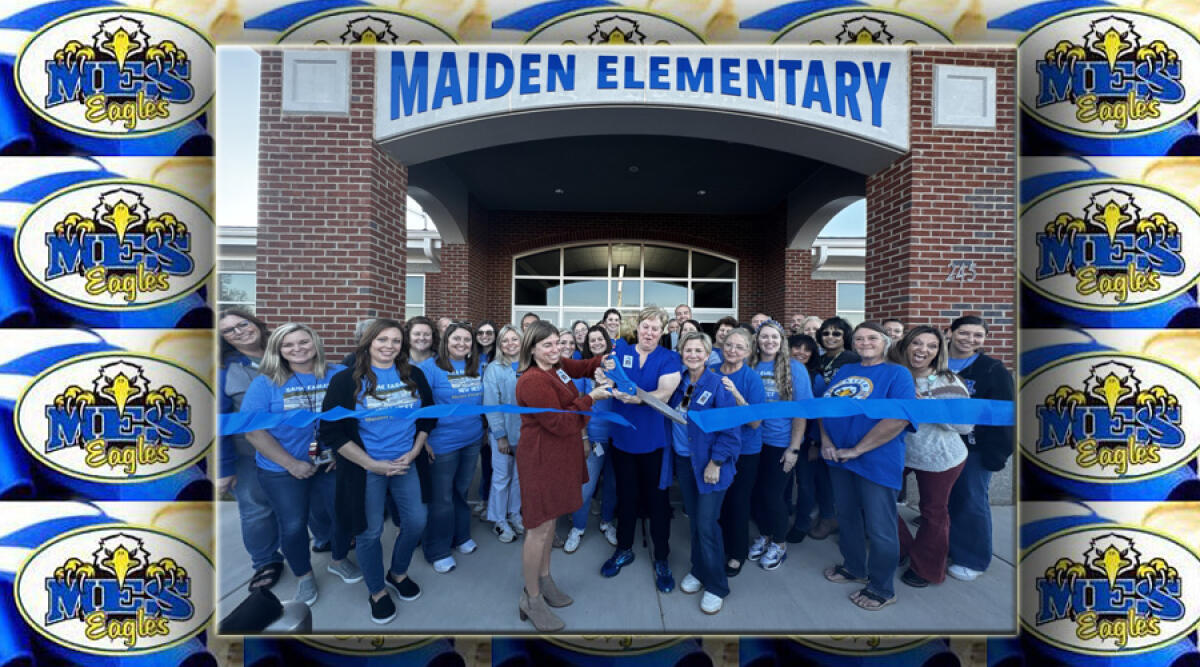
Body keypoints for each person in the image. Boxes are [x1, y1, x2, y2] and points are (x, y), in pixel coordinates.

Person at [321, 319, 434, 624]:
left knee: (416, 521)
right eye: (382, 340)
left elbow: (427, 418)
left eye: (396, 341)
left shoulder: (414, 375)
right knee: (369, 532)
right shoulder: (345, 381)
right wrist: (371, 464)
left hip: (404, 463)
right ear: (368, 342)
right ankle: (376, 592)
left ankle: (397, 573)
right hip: (364, 468)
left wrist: (413, 452)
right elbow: (331, 433)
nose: (389, 346)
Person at [241, 323, 360, 606]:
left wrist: (340, 453)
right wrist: (291, 464)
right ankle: (304, 576)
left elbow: (353, 417)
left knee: (342, 515)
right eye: (288, 345)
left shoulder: (339, 374)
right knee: (293, 525)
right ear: (278, 350)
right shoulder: (266, 383)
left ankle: (339, 559)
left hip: (330, 462)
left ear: (315, 343)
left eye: (303, 342)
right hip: (282, 468)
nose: (297, 349)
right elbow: (253, 431)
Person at [513, 320, 611, 631]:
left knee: (551, 519)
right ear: (532, 348)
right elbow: (563, 423)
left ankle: (545, 581)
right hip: (541, 459)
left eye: (558, 343)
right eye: (548, 345)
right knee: (538, 529)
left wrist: (600, 361)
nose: (556, 350)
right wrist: (592, 397)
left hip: (559, 457)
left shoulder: (557, 367)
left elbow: (580, 366)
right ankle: (531, 599)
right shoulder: (532, 381)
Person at [820, 322, 915, 611]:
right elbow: (825, 408)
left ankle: (882, 587)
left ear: (886, 342)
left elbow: (898, 419)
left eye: (872, 338)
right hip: (838, 456)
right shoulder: (846, 371)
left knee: (880, 526)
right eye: (859, 338)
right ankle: (854, 567)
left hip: (876, 459)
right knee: (847, 516)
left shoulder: (897, 374)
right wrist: (825, 441)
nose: (865, 343)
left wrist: (858, 449)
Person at [603, 306, 682, 592]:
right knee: (626, 499)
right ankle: (624, 549)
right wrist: (608, 386)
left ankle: (662, 558)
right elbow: (608, 381)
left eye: (655, 328)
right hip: (623, 440)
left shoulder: (669, 358)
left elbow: (665, 393)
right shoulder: (619, 354)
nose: (650, 332)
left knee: (657, 503)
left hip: (654, 443)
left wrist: (636, 398)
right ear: (638, 327)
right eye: (646, 326)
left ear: (662, 332)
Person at [890, 326, 971, 588]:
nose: (923, 350)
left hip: (940, 456)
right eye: (917, 343)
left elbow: (965, 426)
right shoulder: (895, 374)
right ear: (906, 345)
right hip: (901, 452)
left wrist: (926, 405)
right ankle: (901, 548)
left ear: (939, 352)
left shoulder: (948, 380)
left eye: (931, 346)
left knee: (933, 513)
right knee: (879, 500)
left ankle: (927, 569)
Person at [668, 331, 740, 614]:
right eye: (688, 350)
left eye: (699, 350)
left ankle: (716, 585)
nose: (693, 355)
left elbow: (731, 430)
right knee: (697, 521)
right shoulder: (680, 381)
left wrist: (717, 462)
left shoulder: (719, 384)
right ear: (681, 353)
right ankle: (698, 570)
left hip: (711, 465)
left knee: (708, 525)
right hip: (685, 462)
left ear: (709, 354)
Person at [218, 308, 285, 593]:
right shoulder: (223, 369)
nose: (239, 331)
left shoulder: (286, 351)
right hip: (250, 455)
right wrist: (224, 468)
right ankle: (266, 562)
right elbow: (217, 420)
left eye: (242, 323)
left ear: (255, 322)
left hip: (298, 448)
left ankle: (318, 542)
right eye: (229, 330)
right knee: (257, 510)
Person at [945, 315, 1014, 582]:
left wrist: (997, 453)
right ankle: (947, 547)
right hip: (939, 444)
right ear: (949, 332)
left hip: (974, 449)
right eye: (964, 333)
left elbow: (1004, 414)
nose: (970, 340)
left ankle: (972, 558)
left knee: (971, 500)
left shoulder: (991, 369)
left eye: (977, 336)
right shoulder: (934, 362)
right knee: (944, 502)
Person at [420, 322, 486, 573]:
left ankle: (461, 536)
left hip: (471, 438)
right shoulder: (429, 368)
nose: (462, 344)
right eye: (456, 339)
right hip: (441, 442)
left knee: (460, 491)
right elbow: (420, 406)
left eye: (467, 340)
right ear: (445, 342)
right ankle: (437, 549)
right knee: (442, 498)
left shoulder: (477, 366)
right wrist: (422, 439)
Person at [748, 321, 811, 571]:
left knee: (773, 495)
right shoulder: (749, 365)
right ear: (757, 340)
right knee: (757, 493)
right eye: (764, 337)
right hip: (752, 442)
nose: (769, 341)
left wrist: (794, 448)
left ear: (782, 340)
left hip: (780, 442)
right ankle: (764, 535)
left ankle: (779, 543)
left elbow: (801, 411)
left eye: (774, 337)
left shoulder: (794, 368)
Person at [712, 327, 766, 577]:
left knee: (738, 502)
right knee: (719, 501)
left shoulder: (751, 378)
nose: (732, 350)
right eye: (728, 345)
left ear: (748, 352)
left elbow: (755, 422)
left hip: (745, 451)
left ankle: (736, 554)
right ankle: (721, 545)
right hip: (716, 448)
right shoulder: (711, 372)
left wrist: (734, 393)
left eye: (739, 347)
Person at [565, 325, 619, 553]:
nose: (597, 343)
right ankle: (577, 528)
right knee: (585, 487)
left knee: (613, 486)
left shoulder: (618, 366)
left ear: (607, 341)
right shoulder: (583, 368)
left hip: (617, 437)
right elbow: (576, 405)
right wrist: (584, 437)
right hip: (593, 436)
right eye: (592, 340)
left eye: (600, 339)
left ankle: (607, 522)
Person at [784, 334, 836, 542]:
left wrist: (815, 442)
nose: (801, 353)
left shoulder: (816, 377)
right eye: (796, 347)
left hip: (807, 441)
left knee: (806, 485)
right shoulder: (778, 372)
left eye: (807, 349)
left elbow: (820, 413)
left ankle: (802, 524)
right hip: (780, 437)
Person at [483, 325, 525, 543]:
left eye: (514, 339)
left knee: (519, 478)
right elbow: (491, 404)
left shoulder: (531, 365)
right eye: (505, 340)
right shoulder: (494, 368)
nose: (510, 344)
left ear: (522, 341)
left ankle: (514, 514)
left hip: (526, 435)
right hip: (503, 434)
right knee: (501, 478)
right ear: (500, 345)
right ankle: (499, 520)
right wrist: (500, 436)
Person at [816, 317, 859, 387]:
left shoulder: (854, 359)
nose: (830, 337)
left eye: (836, 334)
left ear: (845, 336)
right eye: (826, 333)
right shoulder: (817, 360)